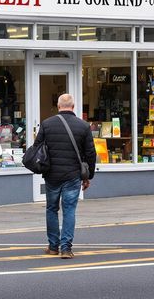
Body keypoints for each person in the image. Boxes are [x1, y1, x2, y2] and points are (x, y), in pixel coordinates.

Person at [37, 93, 96, 259]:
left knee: (51, 208)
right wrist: (88, 176)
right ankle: (66, 248)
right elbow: (90, 153)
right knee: (69, 210)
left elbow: (37, 148)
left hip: (52, 175)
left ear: (58, 106)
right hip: (73, 175)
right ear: (73, 106)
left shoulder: (47, 124)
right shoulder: (83, 126)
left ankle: (53, 246)